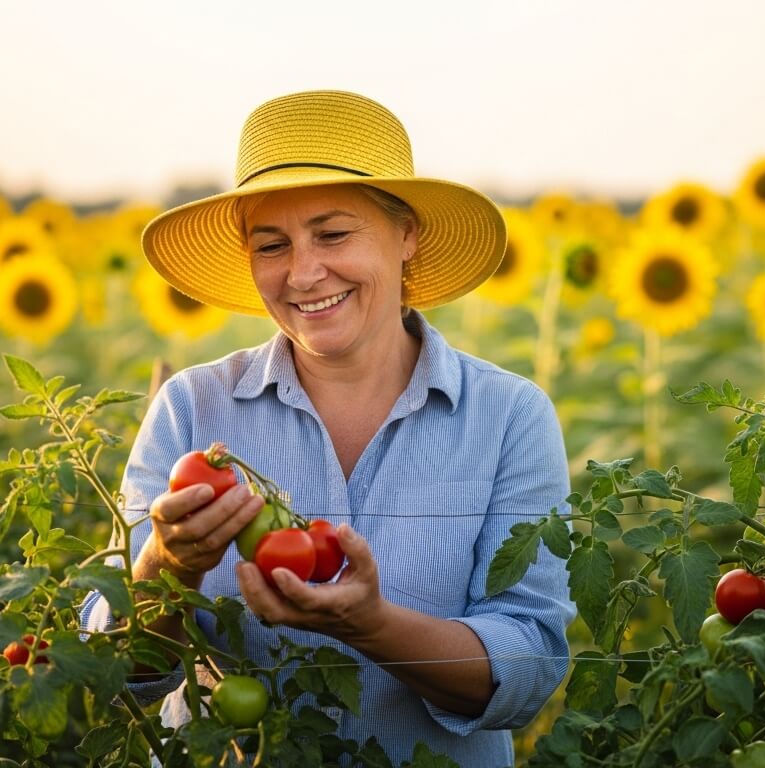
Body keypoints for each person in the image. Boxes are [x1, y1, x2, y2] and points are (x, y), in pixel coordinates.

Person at [78, 90, 575, 766]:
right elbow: (118, 677)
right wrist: (168, 566)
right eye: (271, 244)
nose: (304, 273)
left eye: (333, 234)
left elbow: (526, 667)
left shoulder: (507, 417)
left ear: (407, 235)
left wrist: (372, 626)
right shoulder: (193, 410)